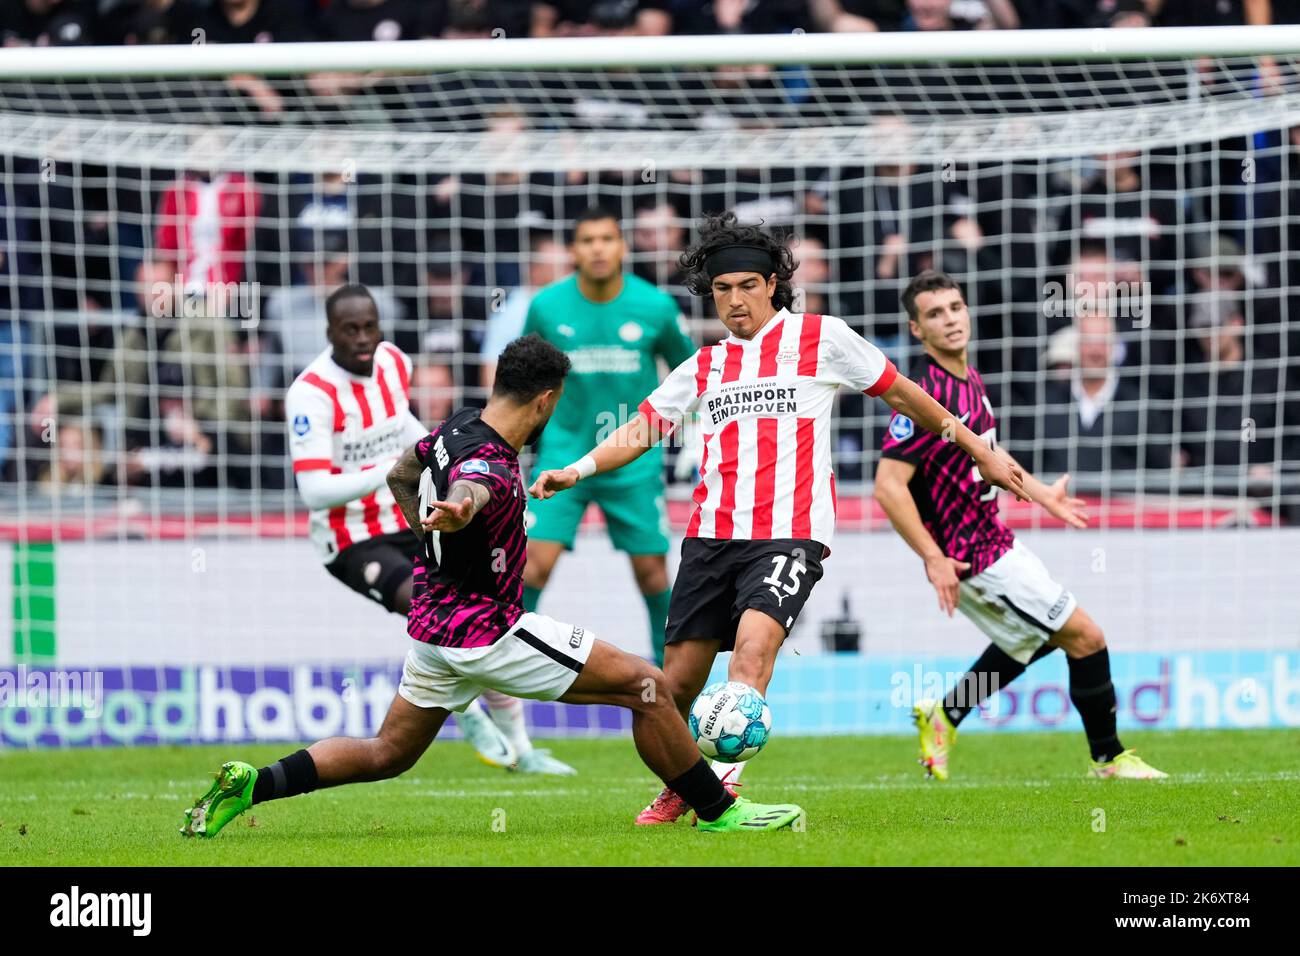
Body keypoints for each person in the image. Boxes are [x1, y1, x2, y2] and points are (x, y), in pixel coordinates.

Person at [181, 335, 804, 838]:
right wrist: (457, 511)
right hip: (488, 631)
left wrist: (430, 535)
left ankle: (252, 784)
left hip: (433, 630)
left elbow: (404, 469)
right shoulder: (495, 466)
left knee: (388, 753)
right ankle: (721, 813)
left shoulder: (455, 428)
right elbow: (472, 489)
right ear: (545, 401)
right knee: (648, 687)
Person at [529, 212, 1028, 825]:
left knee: (753, 650)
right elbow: (642, 429)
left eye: (746, 286)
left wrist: (980, 449)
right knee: (670, 689)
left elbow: (904, 394)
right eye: (721, 290)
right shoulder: (706, 364)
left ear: (772, 284)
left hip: (790, 536)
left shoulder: (822, 338)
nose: (734, 302)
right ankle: (683, 786)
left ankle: (718, 790)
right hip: (711, 537)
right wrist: (575, 470)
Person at [873, 269, 1166, 781]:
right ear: (917, 330)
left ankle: (945, 714)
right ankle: (1110, 759)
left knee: (1025, 642)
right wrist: (933, 557)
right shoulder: (924, 395)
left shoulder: (969, 380)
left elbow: (985, 451)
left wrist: (1042, 494)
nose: (950, 319)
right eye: (935, 314)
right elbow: (888, 486)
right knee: (1086, 637)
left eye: (955, 307)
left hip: (993, 538)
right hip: (971, 555)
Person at [282, 284, 572, 775]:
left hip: (410, 512)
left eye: (369, 326)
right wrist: (392, 466)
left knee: (482, 607)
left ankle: (520, 749)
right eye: (350, 329)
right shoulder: (310, 394)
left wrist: (445, 455)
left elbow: (406, 428)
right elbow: (313, 491)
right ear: (328, 331)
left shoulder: (394, 361)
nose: (362, 338)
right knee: (429, 606)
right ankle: (469, 715)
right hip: (351, 539)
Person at [521, 207, 695, 667]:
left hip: (631, 460)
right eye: (586, 240)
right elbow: (521, 380)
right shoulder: (547, 307)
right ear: (574, 251)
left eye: (606, 239)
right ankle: (505, 679)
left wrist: (696, 435)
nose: (597, 248)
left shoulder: (655, 306)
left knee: (653, 573)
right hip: (562, 454)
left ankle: (671, 682)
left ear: (622, 247)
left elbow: (692, 374)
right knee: (530, 566)